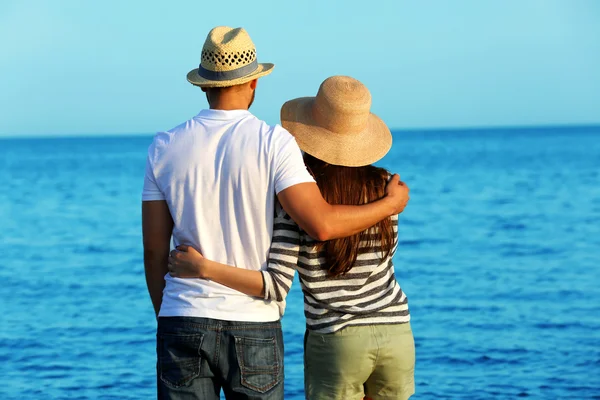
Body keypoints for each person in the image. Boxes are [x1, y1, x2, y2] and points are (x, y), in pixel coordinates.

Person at [141, 27, 410, 400]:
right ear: (253, 83)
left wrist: (170, 317)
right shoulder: (274, 143)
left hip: (182, 316)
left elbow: (154, 253)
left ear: (204, 85)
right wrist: (390, 205)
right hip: (254, 321)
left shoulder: (164, 146)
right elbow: (320, 223)